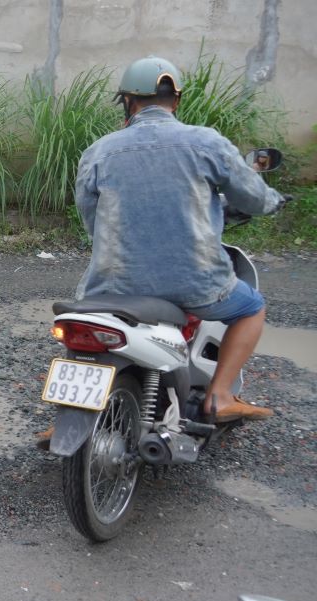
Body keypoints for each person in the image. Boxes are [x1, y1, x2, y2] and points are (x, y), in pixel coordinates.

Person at [74, 55, 286, 423]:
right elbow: (252, 198)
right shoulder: (205, 142)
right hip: (195, 284)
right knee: (251, 307)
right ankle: (219, 396)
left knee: (84, 324)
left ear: (128, 102)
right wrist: (273, 201)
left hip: (113, 285)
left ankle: (72, 407)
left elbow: (93, 222)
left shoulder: (99, 151)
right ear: (176, 101)